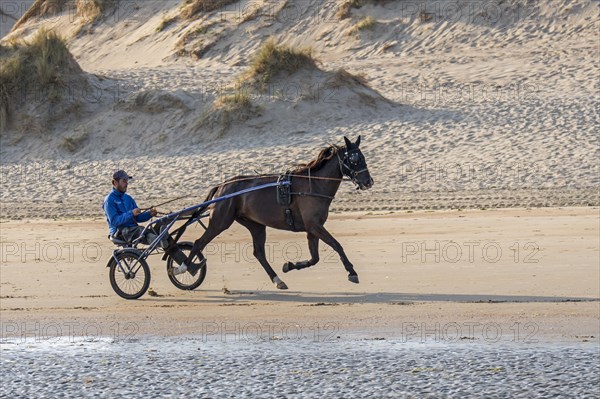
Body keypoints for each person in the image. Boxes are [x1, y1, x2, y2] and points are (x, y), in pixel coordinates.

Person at [103, 170, 188, 275]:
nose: (127, 183)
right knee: (141, 230)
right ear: (115, 183)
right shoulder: (109, 200)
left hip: (133, 230)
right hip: (119, 232)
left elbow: (138, 218)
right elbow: (115, 221)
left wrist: (149, 214)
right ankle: (159, 240)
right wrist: (131, 213)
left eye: (127, 181)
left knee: (157, 225)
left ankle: (183, 263)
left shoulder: (128, 198)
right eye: (124, 181)